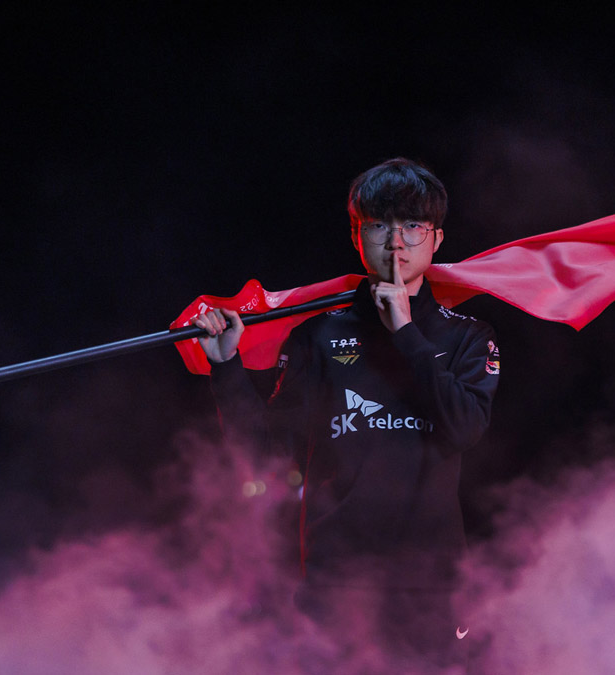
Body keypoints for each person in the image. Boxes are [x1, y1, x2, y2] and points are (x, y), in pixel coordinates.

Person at [193, 158, 499, 670]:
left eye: (413, 226)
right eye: (379, 226)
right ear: (358, 237)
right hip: (335, 583)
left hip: (431, 587)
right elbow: (267, 454)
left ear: (437, 239)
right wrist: (226, 368)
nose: (396, 243)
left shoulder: (467, 336)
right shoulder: (318, 335)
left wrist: (406, 333)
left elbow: (464, 426)